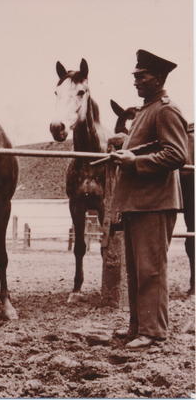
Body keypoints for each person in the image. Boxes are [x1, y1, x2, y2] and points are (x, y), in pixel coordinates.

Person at [110, 50, 189, 350]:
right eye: (135, 77)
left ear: (157, 78)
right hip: (138, 203)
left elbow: (176, 155)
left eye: (140, 77)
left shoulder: (166, 110)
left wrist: (134, 162)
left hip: (155, 204)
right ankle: (138, 327)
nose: (136, 82)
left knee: (151, 269)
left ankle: (154, 332)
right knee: (137, 269)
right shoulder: (146, 110)